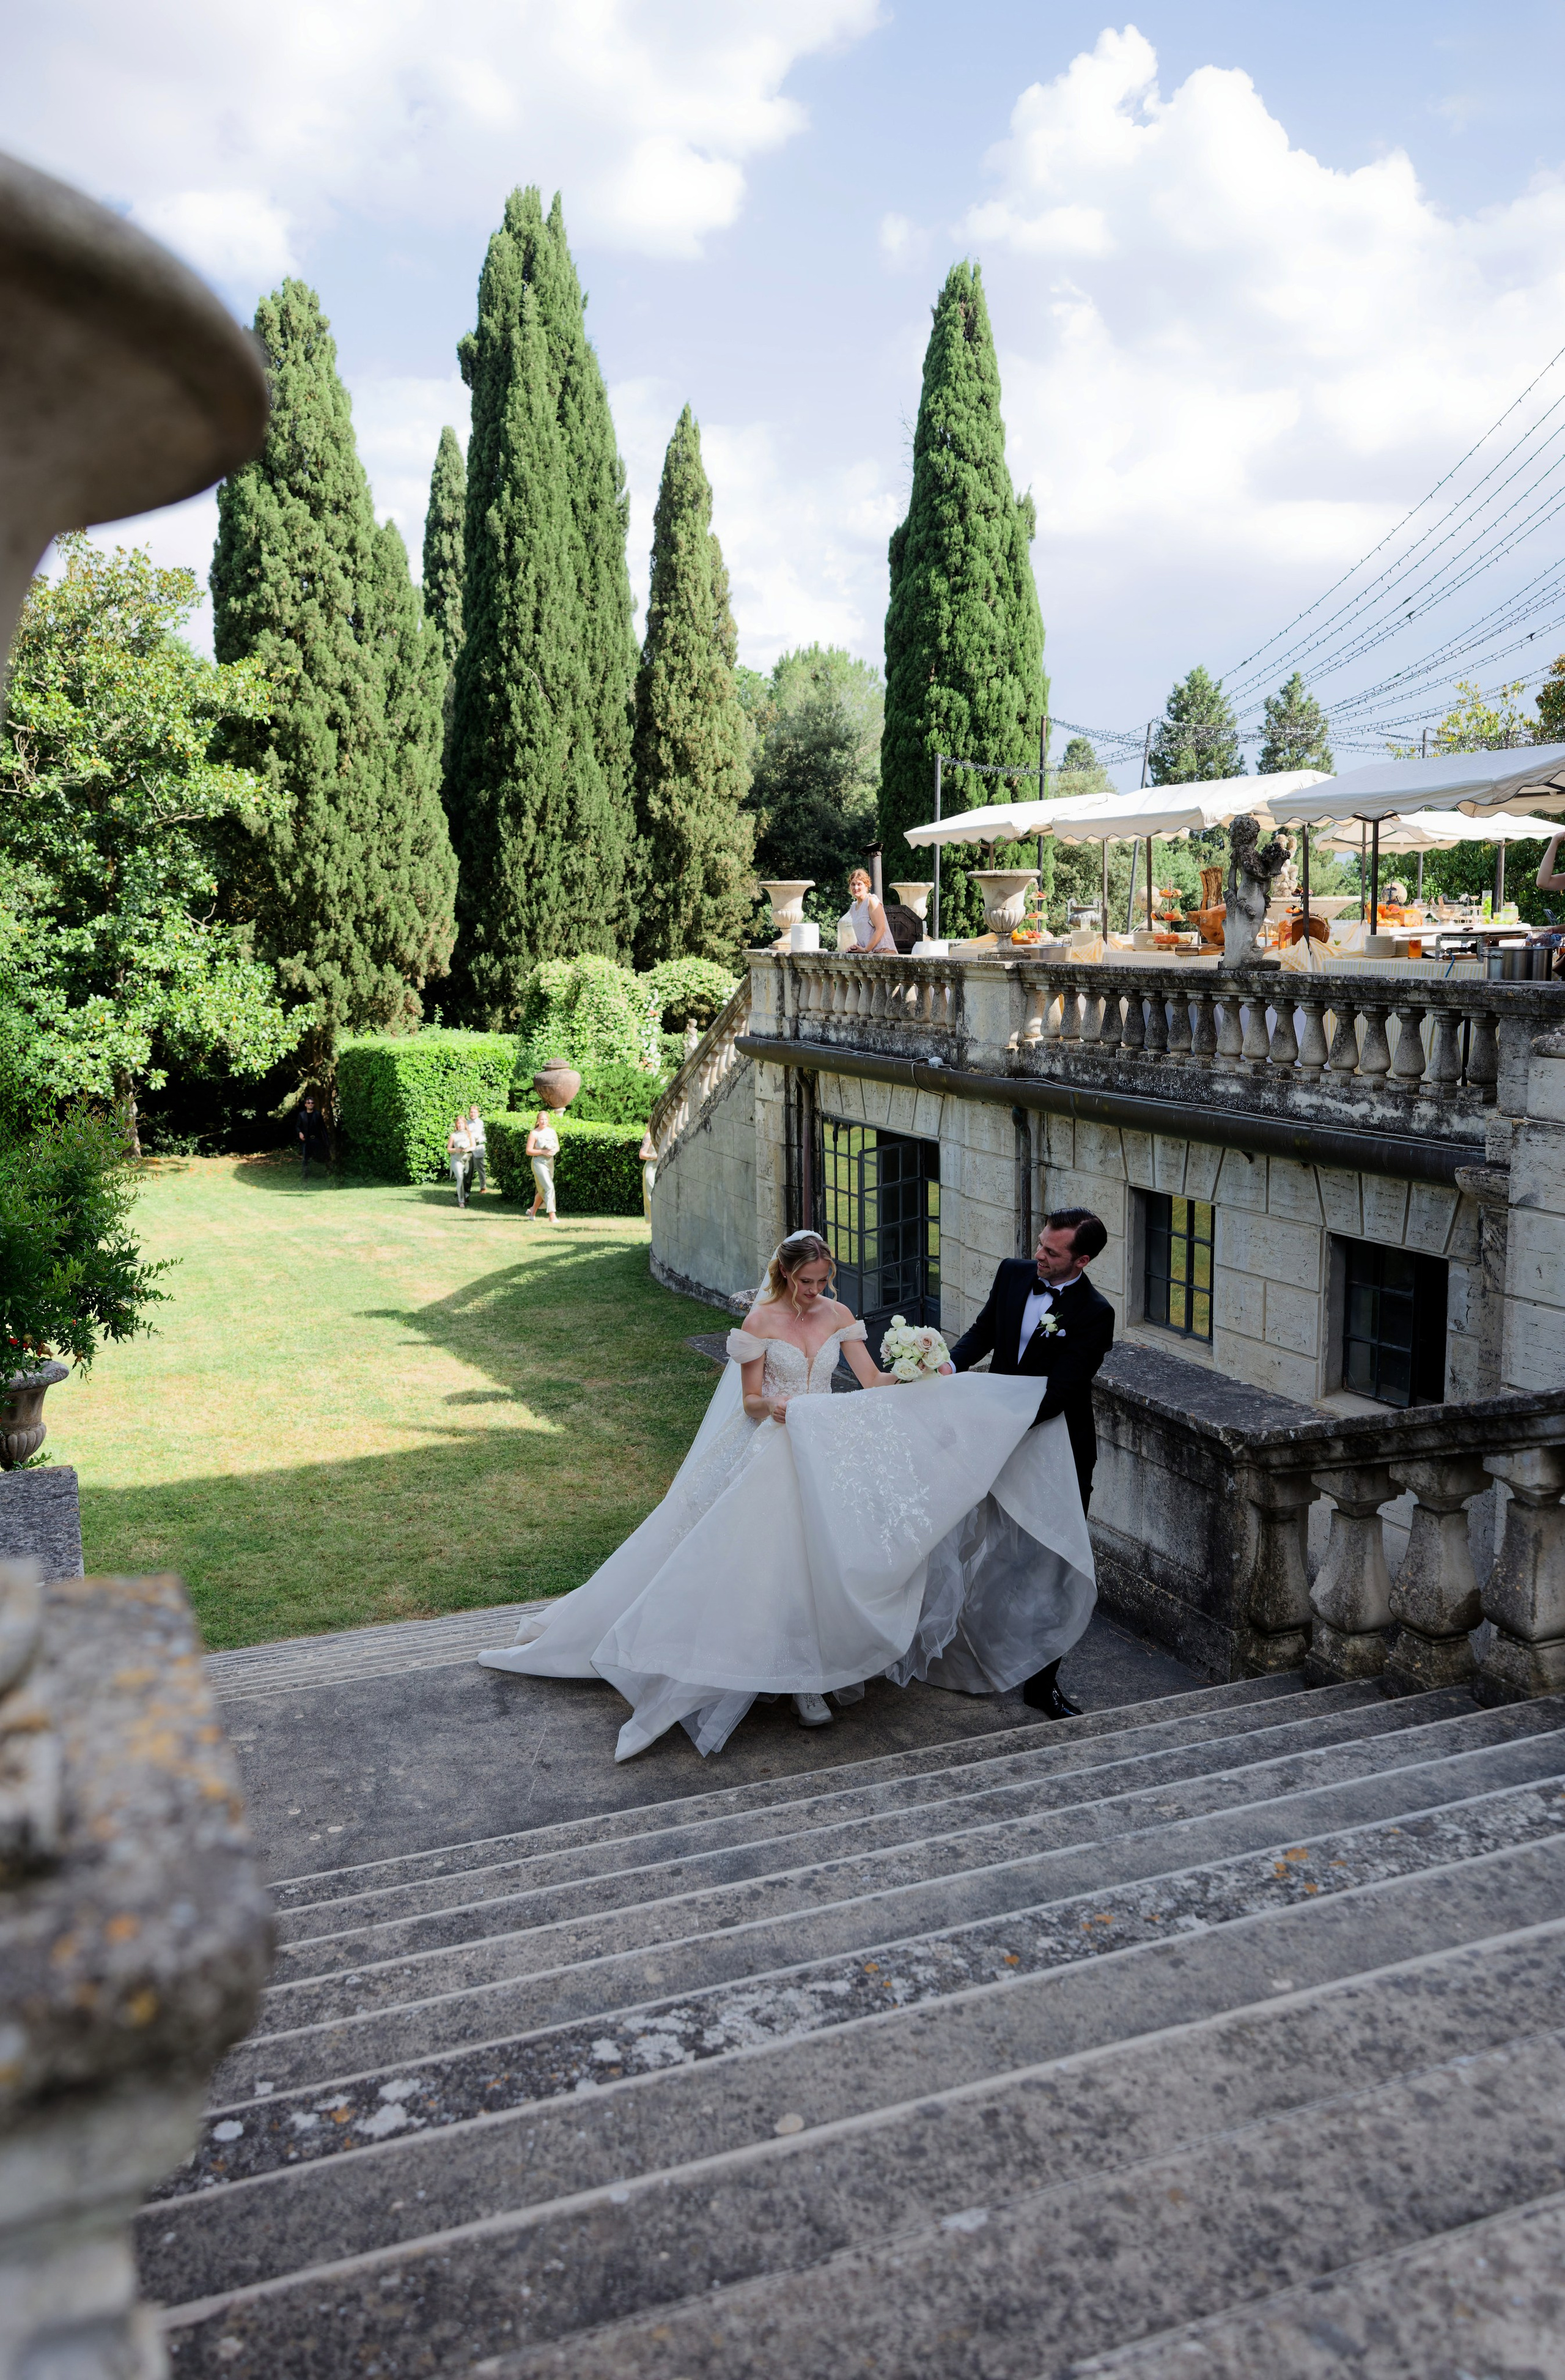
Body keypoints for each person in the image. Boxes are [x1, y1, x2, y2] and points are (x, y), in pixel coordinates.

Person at [479, 1229, 1096, 1761]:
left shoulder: (836, 1314)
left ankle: (810, 1677)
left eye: (823, 1281)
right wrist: (772, 1403)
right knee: (764, 1562)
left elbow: (872, 1380)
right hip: (772, 1446)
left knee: (822, 1563)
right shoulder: (759, 1323)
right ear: (784, 1274)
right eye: (806, 1282)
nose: (815, 1292)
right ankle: (761, 1667)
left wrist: (921, 1372)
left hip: (827, 1449)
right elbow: (749, 1401)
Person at [948, 1207, 1114, 1719]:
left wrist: (994, 1422)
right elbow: (984, 1333)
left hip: (1057, 1449)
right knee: (975, 1543)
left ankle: (1042, 1684)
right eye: (1040, 1243)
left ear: (1082, 1261)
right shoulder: (1013, 1273)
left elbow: (1060, 1392)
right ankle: (963, 1651)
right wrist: (945, 1367)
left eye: (1051, 1251)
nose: (1038, 1254)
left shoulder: (1095, 1313)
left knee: (1053, 1563)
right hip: (995, 1439)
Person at [846, 867, 897, 953]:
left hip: (883, 952)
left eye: (859, 884)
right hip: (869, 954)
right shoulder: (853, 908)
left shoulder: (871, 901)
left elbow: (881, 928)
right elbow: (865, 934)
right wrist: (856, 947)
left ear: (866, 885)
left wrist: (866, 949)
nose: (856, 888)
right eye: (853, 884)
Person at [526, 1108, 559, 1220]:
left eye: (545, 1119)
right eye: (541, 1119)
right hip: (539, 1163)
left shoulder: (552, 1132)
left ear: (548, 1120)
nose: (544, 1121)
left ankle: (532, 1212)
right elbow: (528, 1151)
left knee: (543, 1188)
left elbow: (557, 1147)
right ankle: (552, 1215)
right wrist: (542, 1152)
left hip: (550, 1162)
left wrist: (554, 1151)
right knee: (549, 1187)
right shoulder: (534, 1133)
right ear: (538, 1121)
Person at [296, 1094, 327, 1184]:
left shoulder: (318, 1114)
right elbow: (297, 1126)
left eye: (312, 1103)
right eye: (309, 1103)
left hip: (316, 1139)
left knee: (319, 1157)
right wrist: (300, 1133)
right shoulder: (301, 1115)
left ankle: (322, 1175)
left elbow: (323, 1128)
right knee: (305, 1158)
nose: (311, 1104)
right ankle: (305, 1177)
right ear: (305, 1104)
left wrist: (326, 1141)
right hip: (306, 1140)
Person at [447, 1114, 472, 1208]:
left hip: (467, 1159)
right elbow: (449, 1149)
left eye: (462, 1123)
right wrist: (455, 1149)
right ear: (456, 1125)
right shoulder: (453, 1135)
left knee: (467, 1180)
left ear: (465, 1124)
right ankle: (461, 1201)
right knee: (460, 1179)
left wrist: (468, 1148)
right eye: (459, 1123)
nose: (460, 1125)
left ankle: (466, 1195)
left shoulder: (469, 1134)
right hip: (456, 1159)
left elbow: (474, 1146)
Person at [466, 1106, 488, 1196]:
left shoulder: (481, 1123)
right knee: (468, 1170)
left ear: (478, 1113)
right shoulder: (467, 1123)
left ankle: (483, 1187)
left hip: (478, 1148)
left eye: (475, 1112)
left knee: (480, 1169)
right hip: (468, 1148)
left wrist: (473, 1137)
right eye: (471, 1112)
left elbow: (480, 1136)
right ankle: (467, 1188)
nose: (473, 1114)